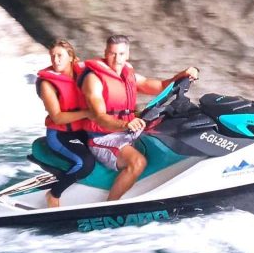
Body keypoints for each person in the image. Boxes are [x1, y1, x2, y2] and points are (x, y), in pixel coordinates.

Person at [80, 34, 199, 201]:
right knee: (138, 162)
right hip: (104, 138)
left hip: (128, 130)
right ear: (105, 53)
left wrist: (182, 75)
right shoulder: (94, 80)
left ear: (127, 54)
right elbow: (99, 117)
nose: (117, 59)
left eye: (121, 54)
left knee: (171, 133)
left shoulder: (128, 74)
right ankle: (111, 206)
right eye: (112, 54)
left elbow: (158, 86)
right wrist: (125, 125)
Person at [36, 38, 96, 208]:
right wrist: (87, 113)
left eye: (60, 55)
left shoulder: (83, 74)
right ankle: (54, 194)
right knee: (85, 164)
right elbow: (57, 117)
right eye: (52, 56)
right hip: (60, 134)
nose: (56, 60)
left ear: (71, 57)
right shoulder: (47, 84)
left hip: (82, 129)